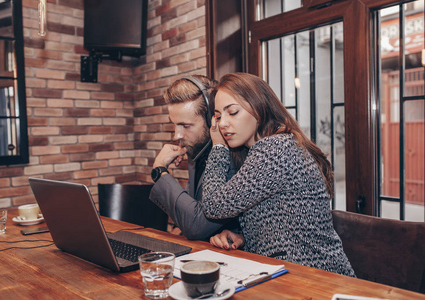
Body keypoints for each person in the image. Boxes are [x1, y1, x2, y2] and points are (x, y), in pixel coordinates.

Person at [201, 72, 355, 276]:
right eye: (218, 116)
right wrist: (244, 236)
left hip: (318, 280)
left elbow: (213, 206)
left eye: (233, 112)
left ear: (258, 107)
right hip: (296, 275)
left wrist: (218, 147)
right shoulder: (272, 146)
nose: (222, 124)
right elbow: (286, 225)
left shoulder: (274, 148)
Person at [149, 75, 241, 240]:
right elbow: (189, 209)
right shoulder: (196, 152)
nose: (177, 135)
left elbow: (197, 225)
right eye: (174, 124)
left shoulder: (232, 159)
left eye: (185, 126)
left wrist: (160, 170)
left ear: (211, 119)